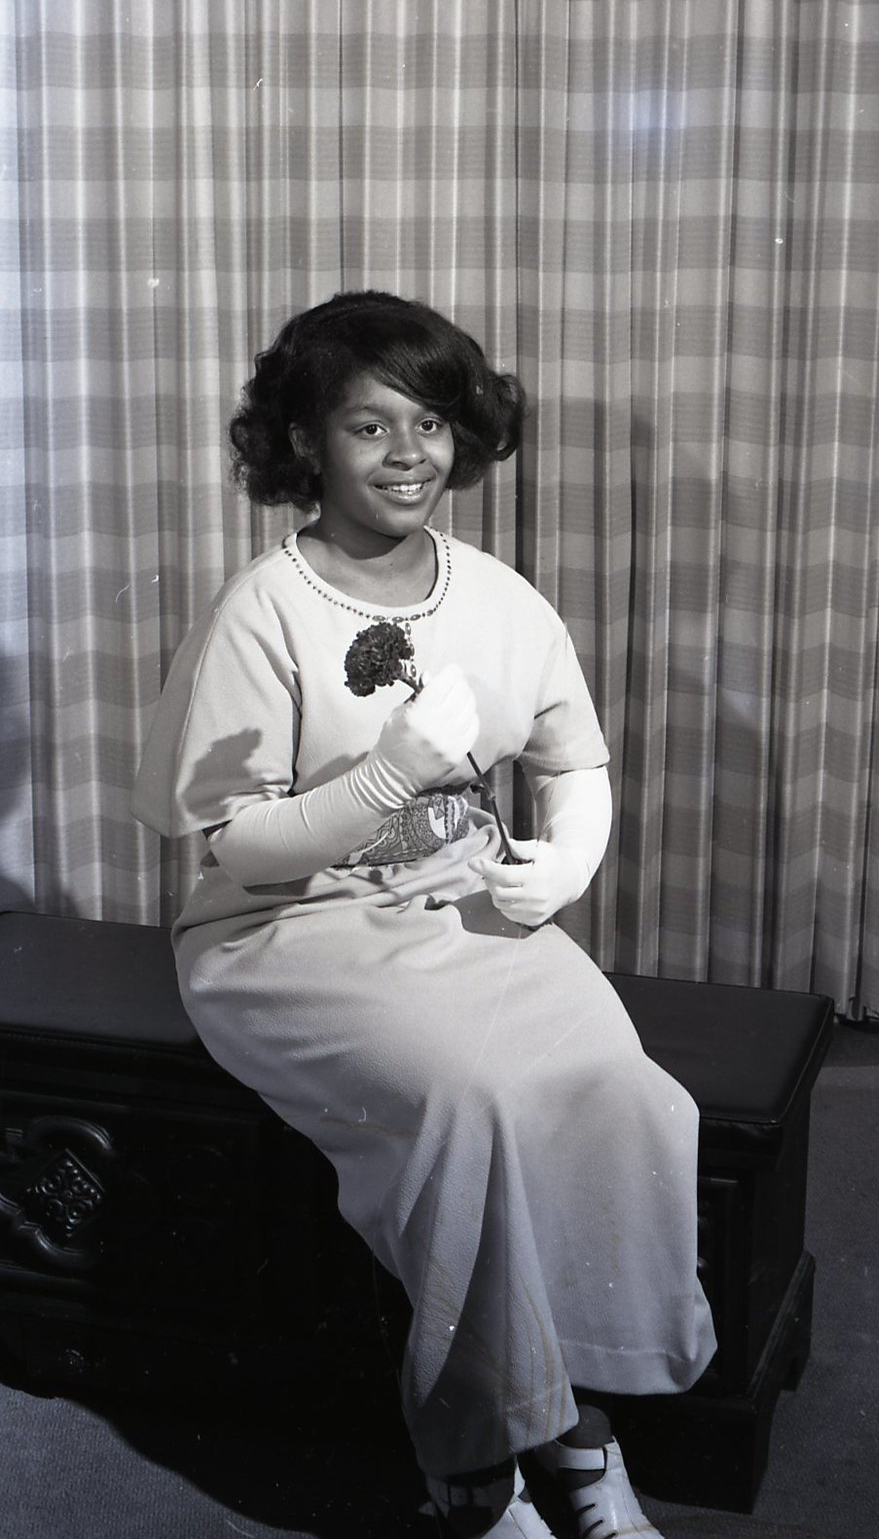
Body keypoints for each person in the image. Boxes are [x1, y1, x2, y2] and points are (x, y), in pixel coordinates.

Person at [132, 290, 715, 1539]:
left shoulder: (499, 596)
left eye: (433, 423)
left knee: (623, 1088)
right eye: (368, 427)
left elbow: (573, 762)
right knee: (467, 1104)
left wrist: (564, 867)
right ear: (304, 446)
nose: (409, 456)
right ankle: (481, 1460)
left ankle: (572, 1418)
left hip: (458, 902)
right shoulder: (264, 610)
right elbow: (231, 840)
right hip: (285, 932)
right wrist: (386, 774)